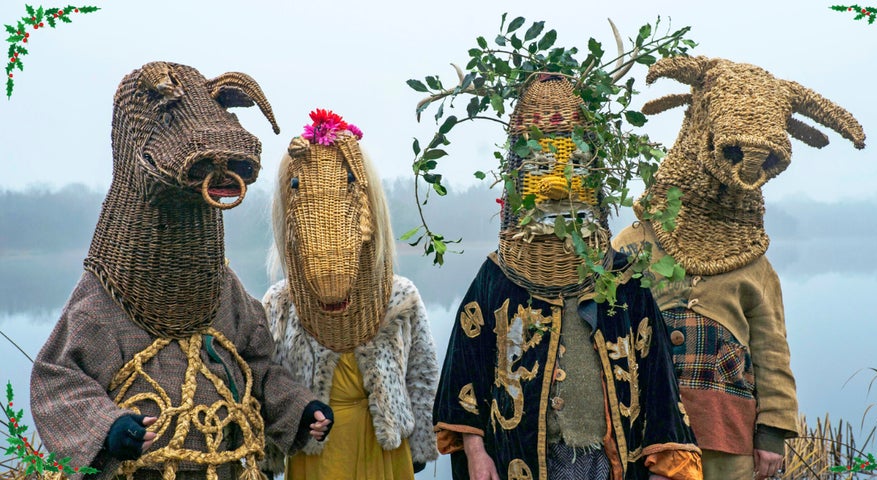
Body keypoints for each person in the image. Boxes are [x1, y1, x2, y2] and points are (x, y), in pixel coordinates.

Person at [29, 61, 332, 480]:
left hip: (222, 467)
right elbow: (57, 378)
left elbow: (259, 368)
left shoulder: (221, 290)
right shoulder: (107, 294)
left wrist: (300, 408)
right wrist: (109, 428)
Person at [433, 76, 702, 480]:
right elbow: (464, 373)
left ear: (594, 174)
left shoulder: (624, 279)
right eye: (541, 166)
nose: (556, 184)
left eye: (572, 164)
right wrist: (476, 453)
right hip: (522, 459)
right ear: (519, 177)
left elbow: (658, 380)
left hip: (607, 462)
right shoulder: (497, 277)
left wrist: (663, 468)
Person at [613, 55, 865, 480]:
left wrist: (772, 434)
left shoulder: (754, 268)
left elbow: (771, 350)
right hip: (646, 431)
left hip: (728, 438)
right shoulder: (633, 244)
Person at [261, 109, 439, 479]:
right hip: (316, 453)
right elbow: (267, 381)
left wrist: (421, 442)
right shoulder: (281, 304)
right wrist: (273, 448)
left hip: (384, 448)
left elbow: (422, 375)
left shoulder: (400, 297)